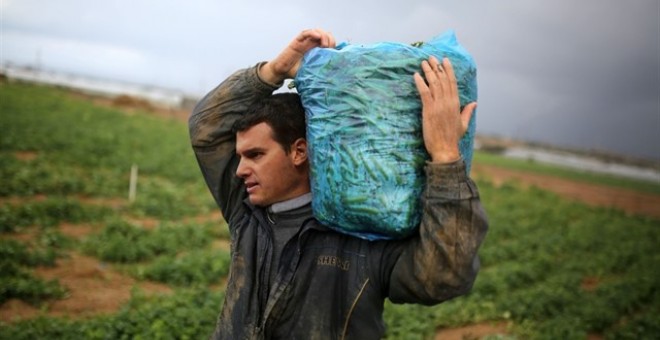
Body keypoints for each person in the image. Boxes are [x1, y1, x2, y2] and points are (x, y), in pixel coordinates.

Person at [189, 28, 488, 340]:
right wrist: (274, 70)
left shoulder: (365, 234)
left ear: (299, 151)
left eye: (255, 155)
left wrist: (444, 156)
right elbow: (206, 129)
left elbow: (443, 278)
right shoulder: (246, 212)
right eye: (240, 157)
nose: (239, 170)